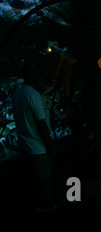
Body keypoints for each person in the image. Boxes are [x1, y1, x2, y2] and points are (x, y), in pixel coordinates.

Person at [12, 62, 57, 210]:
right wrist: (50, 146)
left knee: (32, 183)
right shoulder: (34, 95)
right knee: (45, 181)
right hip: (38, 149)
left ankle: (36, 206)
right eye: (37, 73)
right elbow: (41, 125)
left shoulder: (17, 94)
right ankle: (49, 206)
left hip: (24, 147)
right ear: (32, 75)